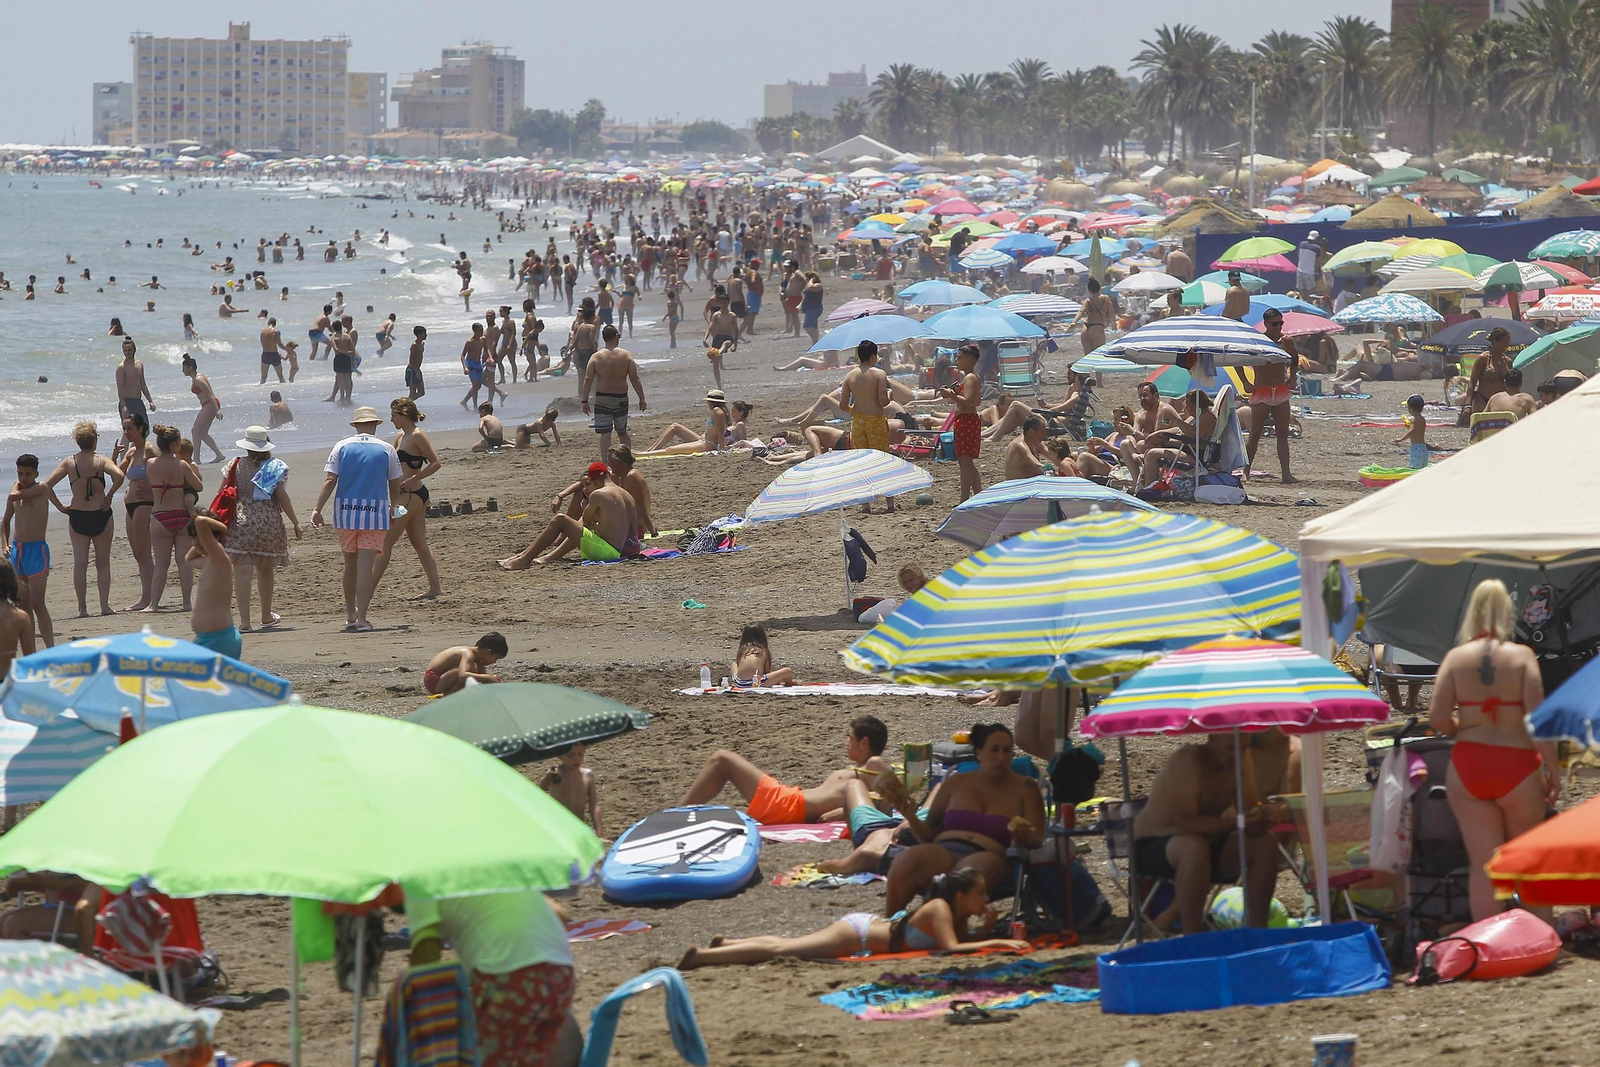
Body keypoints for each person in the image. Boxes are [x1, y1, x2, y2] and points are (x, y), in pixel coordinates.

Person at [1430, 580, 1559, 924]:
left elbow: (1437, 718)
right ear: (1508, 612)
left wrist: (1463, 730)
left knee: (1484, 866)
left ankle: (1486, 944)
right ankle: (1541, 938)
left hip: (1469, 764)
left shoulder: (1455, 658)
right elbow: (1537, 719)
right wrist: (1554, 771)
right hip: (1516, 764)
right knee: (1527, 861)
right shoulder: (1522, 657)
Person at [676, 868, 1027, 969]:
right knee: (783, 951)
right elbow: (951, 950)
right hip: (856, 935)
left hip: (866, 927)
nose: (986, 899)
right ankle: (703, 957)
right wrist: (997, 939)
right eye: (981, 893)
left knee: (786, 945)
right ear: (962, 896)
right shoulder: (938, 908)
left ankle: (730, 944)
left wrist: (982, 929)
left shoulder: (954, 915)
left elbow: (957, 943)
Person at [876, 722, 1044, 914]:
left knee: (965, 877)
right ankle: (890, 929)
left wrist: (1023, 839)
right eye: (994, 750)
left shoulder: (1026, 788)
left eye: (1007, 751)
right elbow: (929, 834)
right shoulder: (955, 783)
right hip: (944, 849)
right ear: (979, 753)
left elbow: (1037, 840)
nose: (1001, 757)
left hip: (992, 857)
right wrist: (911, 817)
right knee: (906, 862)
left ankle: (935, 924)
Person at [1132, 730, 1291, 934]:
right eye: (1229, 749)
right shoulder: (1189, 760)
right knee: (1193, 847)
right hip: (1154, 844)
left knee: (1264, 843)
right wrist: (1240, 822)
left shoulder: (1241, 758)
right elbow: (1185, 823)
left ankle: (1257, 932)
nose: (1234, 755)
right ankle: (1193, 936)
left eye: (1242, 748)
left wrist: (1262, 817)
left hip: (1205, 844)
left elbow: (1248, 811)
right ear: (1212, 739)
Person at [403, 886, 575, 1067]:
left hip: (508, 977)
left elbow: (426, 956)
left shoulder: (418, 880)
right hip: (561, 972)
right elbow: (560, 914)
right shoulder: (490, 867)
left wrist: (409, 1008)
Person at [682, 716, 889, 823]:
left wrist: (842, 813)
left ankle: (676, 814)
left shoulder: (874, 764)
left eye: (851, 739)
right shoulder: (864, 772)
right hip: (789, 802)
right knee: (723, 762)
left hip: (787, 805)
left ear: (864, 743)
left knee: (722, 759)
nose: (846, 743)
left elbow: (888, 801)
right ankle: (679, 813)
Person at [311, 408, 401, 632]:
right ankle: (362, 618)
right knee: (365, 568)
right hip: (374, 514)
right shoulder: (387, 448)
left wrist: (317, 508)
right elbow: (394, 482)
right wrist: (395, 507)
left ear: (355, 425)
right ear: (375, 425)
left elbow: (330, 479)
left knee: (349, 565)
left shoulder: (341, 446)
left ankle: (350, 614)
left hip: (345, 514)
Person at [40, 423, 123, 619]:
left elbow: (46, 486)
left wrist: (60, 507)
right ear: (95, 440)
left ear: (77, 441)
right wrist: (109, 494)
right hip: (101, 513)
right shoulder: (101, 460)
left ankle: (82, 609)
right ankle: (104, 606)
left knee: (81, 563)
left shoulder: (70, 463)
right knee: (102, 563)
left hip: (78, 514)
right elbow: (119, 476)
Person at [225, 427, 300, 632]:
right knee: (265, 568)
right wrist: (295, 522)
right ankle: (266, 616)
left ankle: (245, 622)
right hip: (268, 520)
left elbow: (225, 491)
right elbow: (282, 497)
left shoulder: (234, 464)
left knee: (242, 571)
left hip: (241, 520)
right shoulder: (274, 466)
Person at [498, 461, 638, 568]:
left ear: (594, 481)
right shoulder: (627, 495)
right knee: (575, 528)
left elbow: (586, 521)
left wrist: (585, 508)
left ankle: (524, 560)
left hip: (606, 553)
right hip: (621, 549)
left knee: (560, 519)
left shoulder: (599, 494)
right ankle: (522, 556)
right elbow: (633, 529)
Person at [372, 398, 443, 600]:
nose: (391, 419)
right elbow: (392, 465)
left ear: (404, 415)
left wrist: (414, 477)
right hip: (406, 496)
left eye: (394, 415)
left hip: (412, 495)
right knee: (420, 545)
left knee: (384, 543)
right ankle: (435, 588)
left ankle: (366, 592)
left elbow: (435, 463)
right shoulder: (400, 436)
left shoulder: (418, 435)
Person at [2, 455, 61, 648]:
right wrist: (4, 545)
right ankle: (31, 651)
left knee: (37, 602)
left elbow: (13, 495)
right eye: (20, 473)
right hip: (17, 550)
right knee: (23, 604)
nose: (23, 477)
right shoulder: (16, 487)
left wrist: (15, 486)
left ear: (36, 473)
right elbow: (5, 522)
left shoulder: (41, 488)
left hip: (36, 551)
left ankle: (50, 648)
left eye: (28, 474)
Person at [143, 425, 201, 613]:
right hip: (181, 514)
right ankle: (186, 603)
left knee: (161, 564)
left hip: (160, 516)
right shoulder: (182, 465)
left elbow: (148, 484)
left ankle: (154, 604)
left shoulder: (151, 463)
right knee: (183, 562)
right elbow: (198, 486)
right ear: (176, 444)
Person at [1245, 307, 1298, 484]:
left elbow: (1295, 358)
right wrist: (1244, 380)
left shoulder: (1286, 341)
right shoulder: (1258, 340)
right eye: (1275, 324)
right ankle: (1246, 471)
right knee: (1255, 433)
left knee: (1282, 432)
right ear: (1266, 324)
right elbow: (1239, 357)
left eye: (1281, 323)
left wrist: (1292, 377)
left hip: (1281, 389)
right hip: (1262, 390)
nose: (1278, 327)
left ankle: (1286, 474)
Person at [582, 325, 646, 462]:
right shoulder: (626, 355)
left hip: (602, 398)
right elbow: (635, 378)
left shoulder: (595, 357)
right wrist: (642, 398)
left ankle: (605, 463)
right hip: (621, 398)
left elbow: (588, 380)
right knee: (622, 431)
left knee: (605, 433)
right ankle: (626, 461)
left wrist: (584, 401)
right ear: (616, 336)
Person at [117, 413, 157, 611]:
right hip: (130, 505)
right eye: (124, 429)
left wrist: (152, 489)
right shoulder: (131, 452)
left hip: (145, 504)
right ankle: (147, 597)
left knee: (143, 553)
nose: (127, 432)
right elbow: (118, 474)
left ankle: (148, 599)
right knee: (137, 553)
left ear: (141, 428)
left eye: (130, 428)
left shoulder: (149, 449)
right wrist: (115, 455)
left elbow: (164, 468)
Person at [187, 512, 241, 660]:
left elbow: (200, 521)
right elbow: (189, 559)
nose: (195, 543)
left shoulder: (220, 558)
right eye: (193, 538)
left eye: (199, 537)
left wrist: (222, 529)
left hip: (220, 639)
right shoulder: (210, 562)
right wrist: (199, 543)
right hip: (207, 639)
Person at [941, 345, 984, 501]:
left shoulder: (970, 377)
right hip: (967, 421)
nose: (956, 360)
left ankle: (964, 499)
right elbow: (976, 401)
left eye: (960, 357)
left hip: (966, 422)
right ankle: (978, 495)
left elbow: (968, 403)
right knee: (968, 463)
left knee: (964, 463)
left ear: (969, 360)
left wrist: (951, 395)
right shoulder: (972, 377)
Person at [637, 391, 737, 457]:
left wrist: (722, 450)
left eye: (708, 402)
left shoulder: (717, 411)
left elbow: (721, 432)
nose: (707, 404)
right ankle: (650, 451)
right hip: (703, 440)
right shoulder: (719, 410)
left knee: (671, 449)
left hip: (708, 444)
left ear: (712, 402)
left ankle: (644, 454)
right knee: (675, 427)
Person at [540, 742, 603, 838]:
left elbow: (594, 806)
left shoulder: (588, 775)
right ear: (560, 756)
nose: (576, 759)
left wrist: (600, 834)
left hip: (578, 827)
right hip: (556, 828)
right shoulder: (555, 773)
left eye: (580, 754)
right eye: (570, 755)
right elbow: (538, 792)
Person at [422, 632, 508, 695]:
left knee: (472, 673)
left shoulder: (479, 660)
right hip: (433, 679)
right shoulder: (468, 653)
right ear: (489, 652)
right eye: (495, 658)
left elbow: (483, 678)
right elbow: (463, 676)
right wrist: (487, 677)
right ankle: (448, 699)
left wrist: (493, 682)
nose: (494, 662)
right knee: (469, 674)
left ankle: (449, 696)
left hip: (441, 678)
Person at [183, 355, 225, 465]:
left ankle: (196, 459)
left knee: (195, 430)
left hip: (210, 404)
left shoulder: (198, 379)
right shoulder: (196, 377)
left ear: (190, 368)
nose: (182, 370)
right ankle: (219, 454)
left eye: (184, 368)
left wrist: (216, 410)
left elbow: (210, 395)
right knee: (201, 433)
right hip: (208, 404)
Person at [1465, 326, 1515, 420]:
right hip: (1482, 399)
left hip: (1500, 401)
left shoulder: (1508, 361)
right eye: (1505, 342)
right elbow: (1472, 382)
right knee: (1482, 429)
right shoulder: (1483, 359)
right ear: (1495, 342)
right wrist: (1468, 404)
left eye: (1508, 341)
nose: (1507, 345)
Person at [608, 447, 656, 541]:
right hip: (627, 528)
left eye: (610, 461)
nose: (609, 464)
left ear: (619, 462)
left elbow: (640, 508)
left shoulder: (632, 476)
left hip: (635, 531)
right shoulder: (621, 476)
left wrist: (652, 531)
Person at [729, 622, 795, 688]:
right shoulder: (762, 650)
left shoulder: (743, 650)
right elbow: (766, 672)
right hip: (757, 683)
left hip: (739, 683)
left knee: (734, 664)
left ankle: (735, 681)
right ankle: (790, 683)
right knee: (787, 671)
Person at [115, 337, 156, 423]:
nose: (127, 353)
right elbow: (120, 388)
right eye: (125, 350)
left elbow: (143, 384)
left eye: (129, 350)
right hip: (127, 402)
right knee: (129, 433)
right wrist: (123, 406)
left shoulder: (139, 365)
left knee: (144, 429)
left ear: (134, 350)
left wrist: (150, 401)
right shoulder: (121, 367)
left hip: (138, 401)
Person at [1072, 277, 1114, 355]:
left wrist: (1074, 322)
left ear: (1089, 290)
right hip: (1097, 327)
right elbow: (1111, 313)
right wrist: (1114, 325)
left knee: (1087, 358)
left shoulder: (1087, 301)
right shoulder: (1105, 298)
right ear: (1099, 288)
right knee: (1099, 356)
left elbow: (1081, 311)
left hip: (1085, 329)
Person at [1003, 415, 1050, 480]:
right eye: (1042, 431)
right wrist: (1056, 475)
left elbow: (1053, 456)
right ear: (1031, 432)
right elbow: (1038, 466)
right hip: (1017, 487)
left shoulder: (1036, 443)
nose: (1045, 435)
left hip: (1030, 485)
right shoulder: (1019, 446)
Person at [1396, 394, 1430, 470]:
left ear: (1410, 408)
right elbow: (1417, 430)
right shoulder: (1422, 419)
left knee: (1414, 469)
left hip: (1416, 448)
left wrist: (1401, 439)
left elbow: (1412, 431)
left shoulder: (1413, 419)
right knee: (1423, 469)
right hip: (1423, 448)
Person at [259, 317, 286, 385]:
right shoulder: (276, 332)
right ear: (275, 324)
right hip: (274, 355)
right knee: (280, 377)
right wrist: (287, 349)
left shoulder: (262, 332)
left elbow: (262, 343)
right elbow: (279, 344)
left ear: (268, 323)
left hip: (265, 354)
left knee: (263, 378)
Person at [406, 326, 427, 400]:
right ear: (419, 334)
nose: (426, 335)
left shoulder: (422, 343)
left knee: (421, 392)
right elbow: (411, 360)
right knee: (413, 393)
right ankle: (404, 406)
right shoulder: (414, 345)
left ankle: (406, 403)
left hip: (417, 369)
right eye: (424, 333)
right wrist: (416, 371)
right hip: (412, 370)